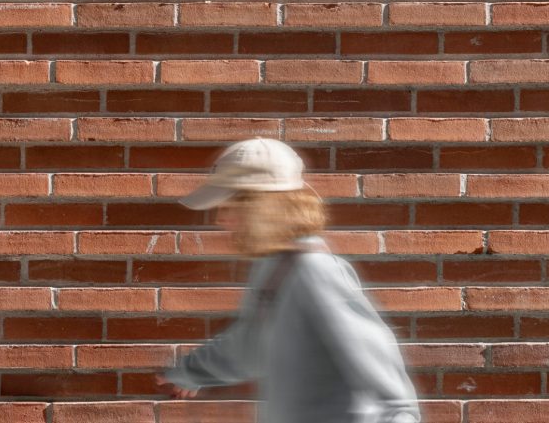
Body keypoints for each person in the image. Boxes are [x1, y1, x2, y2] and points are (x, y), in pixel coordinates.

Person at [156, 137, 421, 423]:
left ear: (264, 205)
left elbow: (388, 388)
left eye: (229, 205)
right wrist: (190, 373)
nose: (221, 219)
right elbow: (249, 346)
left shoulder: (314, 269)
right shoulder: (276, 268)